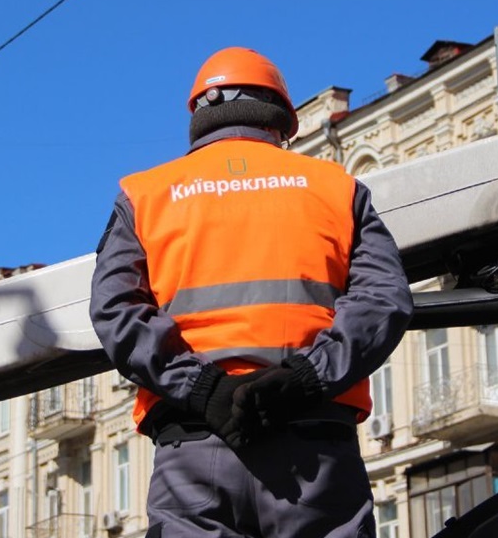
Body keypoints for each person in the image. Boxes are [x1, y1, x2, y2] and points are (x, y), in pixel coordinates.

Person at [89, 46, 413, 538]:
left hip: (194, 447)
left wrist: (204, 389)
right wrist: (305, 379)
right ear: (284, 120)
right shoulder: (335, 187)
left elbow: (116, 311)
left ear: (199, 118)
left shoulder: (146, 195)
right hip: (314, 441)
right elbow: (382, 300)